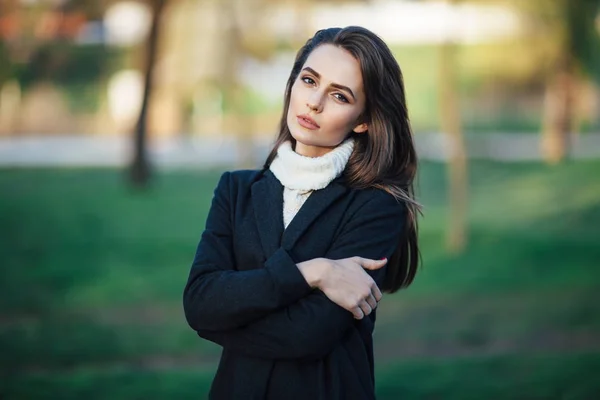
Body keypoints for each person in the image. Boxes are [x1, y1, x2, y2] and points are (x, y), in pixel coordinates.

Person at [183, 26, 420, 400]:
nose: (314, 103)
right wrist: (314, 272)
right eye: (309, 80)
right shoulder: (236, 189)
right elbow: (199, 302)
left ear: (363, 119)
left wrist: (223, 317)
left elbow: (308, 334)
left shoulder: (377, 205)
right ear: (292, 83)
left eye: (339, 95)